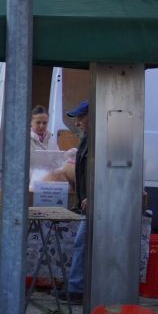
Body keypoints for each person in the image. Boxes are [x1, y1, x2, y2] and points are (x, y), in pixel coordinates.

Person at [65, 101, 92, 300]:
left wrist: (93, 196)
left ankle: (77, 288)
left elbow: (101, 172)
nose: (77, 123)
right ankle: (77, 287)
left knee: (81, 244)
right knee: (82, 244)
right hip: (87, 203)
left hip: (97, 204)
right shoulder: (87, 139)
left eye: (81, 117)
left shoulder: (99, 140)